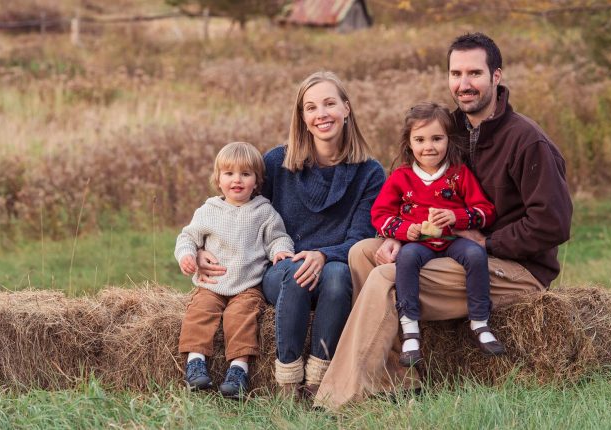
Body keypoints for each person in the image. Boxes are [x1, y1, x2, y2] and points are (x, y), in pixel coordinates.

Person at [315, 32, 573, 409]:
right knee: (362, 254)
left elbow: (553, 224)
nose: (463, 84)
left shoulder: (526, 141)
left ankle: (341, 398)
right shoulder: (449, 129)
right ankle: (396, 379)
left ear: (496, 76)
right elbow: (410, 184)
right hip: (449, 248)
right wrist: (401, 234)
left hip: (513, 269)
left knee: (387, 279)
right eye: (455, 74)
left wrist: (488, 242)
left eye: (474, 73)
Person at [196, 71, 386, 399]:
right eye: (311, 107)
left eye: (329, 104)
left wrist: (325, 254)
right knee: (296, 273)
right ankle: (287, 379)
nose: (321, 114)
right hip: (281, 268)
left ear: (346, 109)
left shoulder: (369, 172)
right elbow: (239, 213)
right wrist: (200, 248)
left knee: (339, 274)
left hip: (334, 270)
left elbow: (361, 237)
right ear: (302, 117)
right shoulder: (277, 162)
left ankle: (317, 380)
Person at [371, 101, 502, 367]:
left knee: (476, 254)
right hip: (419, 242)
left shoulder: (458, 174)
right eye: (419, 139)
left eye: (436, 138)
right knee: (407, 259)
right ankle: (410, 329)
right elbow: (379, 215)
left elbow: (486, 210)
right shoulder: (400, 178)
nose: (428, 146)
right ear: (409, 143)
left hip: (454, 240)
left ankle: (480, 322)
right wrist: (405, 230)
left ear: (448, 140)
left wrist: (458, 217)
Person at [175, 141, 294, 399]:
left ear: (257, 180)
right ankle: (195, 363)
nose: (236, 180)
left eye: (245, 174)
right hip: (211, 284)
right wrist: (187, 255)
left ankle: (238, 370)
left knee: (240, 318)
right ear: (218, 179)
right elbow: (188, 237)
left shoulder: (264, 212)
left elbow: (277, 238)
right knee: (200, 312)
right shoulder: (208, 210)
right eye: (229, 173)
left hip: (248, 286)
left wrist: (281, 252)